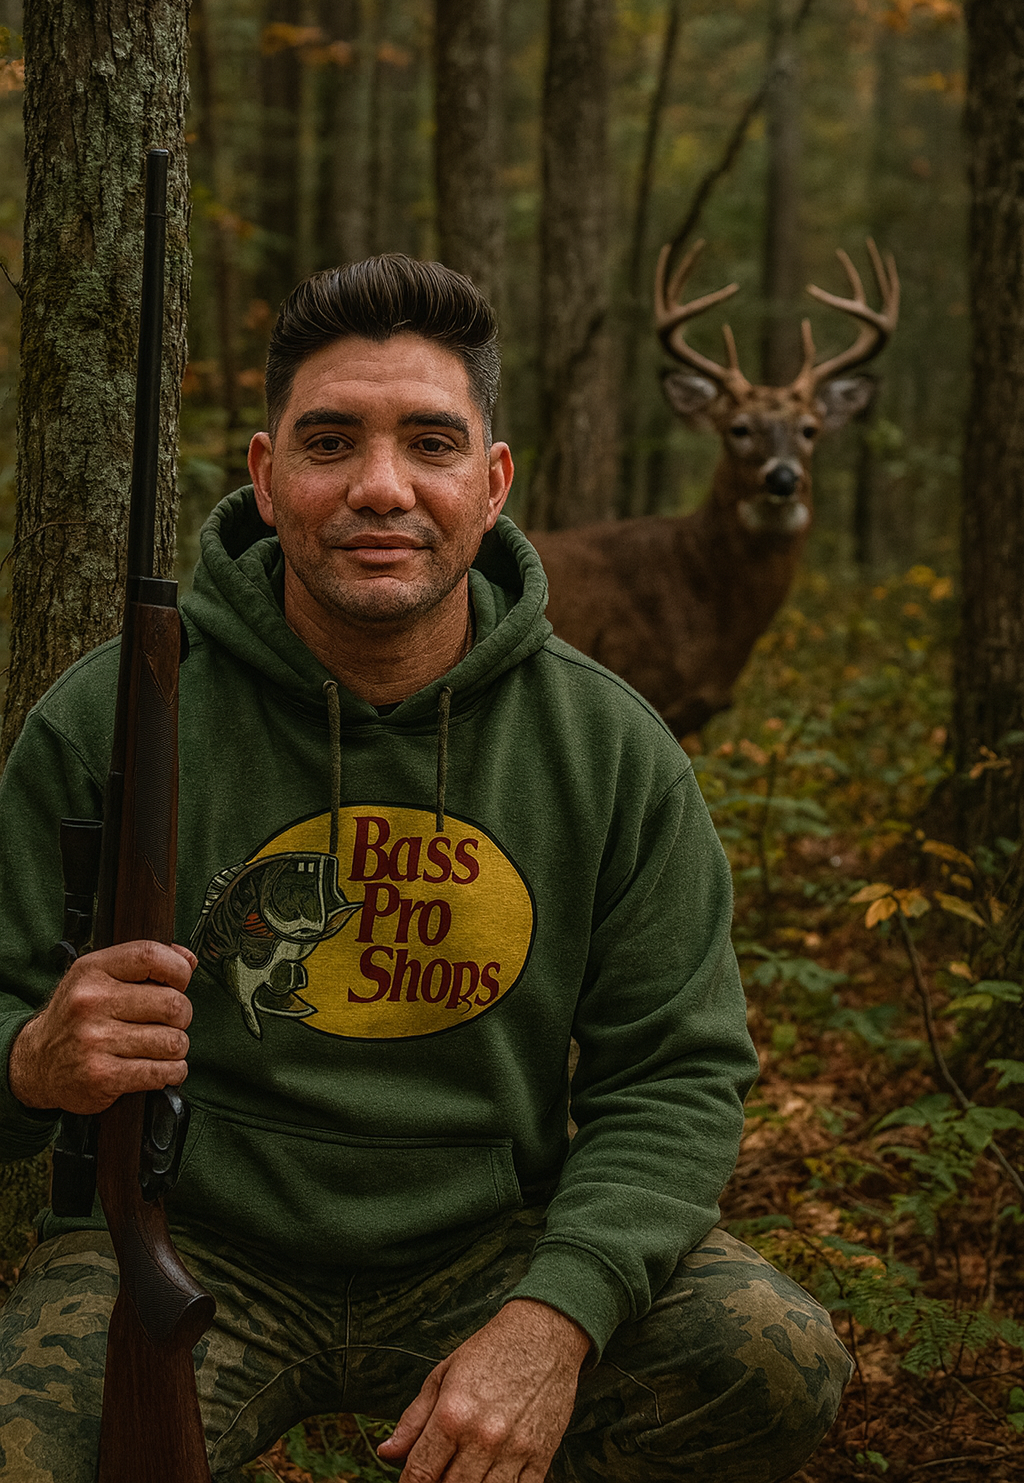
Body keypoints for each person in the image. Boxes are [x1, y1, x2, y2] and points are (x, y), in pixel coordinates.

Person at [0, 255, 852, 1482]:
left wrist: (555, 1316)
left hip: (490, 1249)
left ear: (492, 483)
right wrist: (34, 1061)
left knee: (767, 1354)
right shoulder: (113, 718)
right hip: (195, 1247)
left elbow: (676, 1076)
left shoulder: (609, 746)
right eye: (331, 441)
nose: (381, 487)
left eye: (432, 445)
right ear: (265, 473)